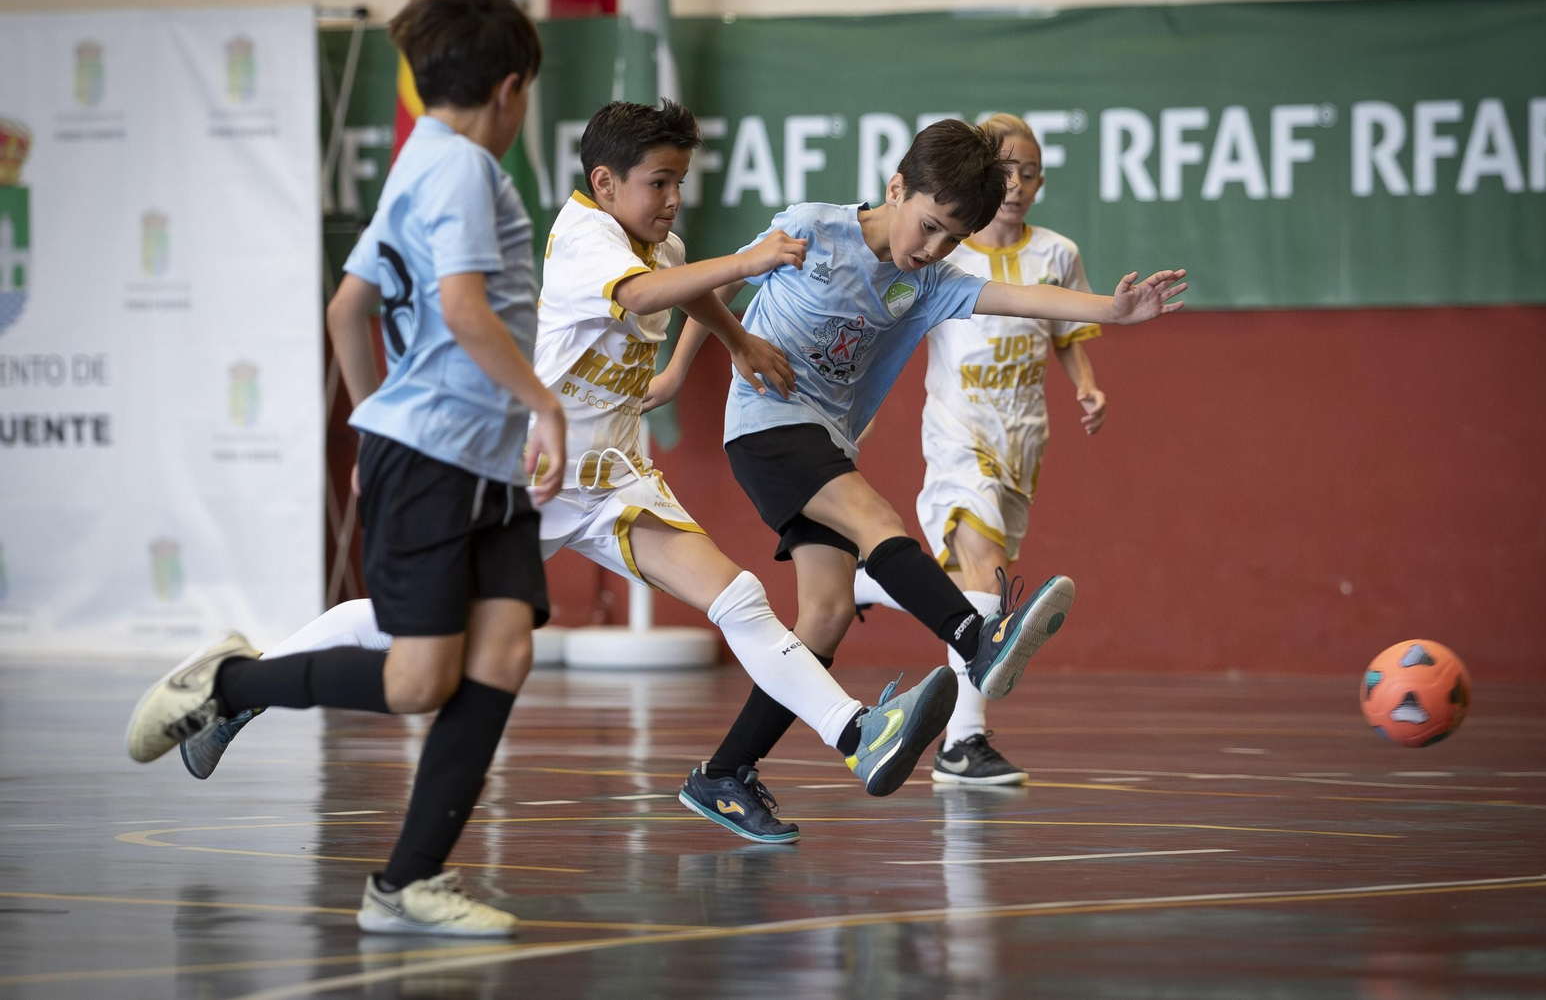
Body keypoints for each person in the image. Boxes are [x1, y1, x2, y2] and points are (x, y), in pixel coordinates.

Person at [178, 99, 960, 846]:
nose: (674, 199)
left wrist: (738, 340)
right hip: (528, 474)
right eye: (659, 182)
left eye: (682, 181)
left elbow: (684, 292)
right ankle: (238, 684)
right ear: (604, 184)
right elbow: (649, 293)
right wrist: (752, 260)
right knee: (400, 627)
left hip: (612, 477)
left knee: (740, 597)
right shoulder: (587, 238)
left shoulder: (668, 246)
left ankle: (856, 734)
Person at [125, 0, 561, 936]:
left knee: (503, 652)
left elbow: (347, 308)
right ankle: (227, 685)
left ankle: (405, 886)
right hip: (445, 459)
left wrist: (368, 426)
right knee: (417, 684)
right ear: (510, 90)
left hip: (469, 464)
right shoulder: (460, 170)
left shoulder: (421, 158)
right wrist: (547, 410)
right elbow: (459, 308)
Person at [649, 117, 1185, 838]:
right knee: (877, 521)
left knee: (827, 615)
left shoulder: (930, 282)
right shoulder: (811, 230)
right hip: (767, 427)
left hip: (826, 441)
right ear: (896, 186)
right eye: (928, 226)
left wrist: (1114, 312)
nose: (930, 249)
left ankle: (723, 773)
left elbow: (1022, 299)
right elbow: (716, 284)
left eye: (952, 240)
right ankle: (974, 637)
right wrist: (694, 364)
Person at [851, 113, 1108, 786]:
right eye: (1004, 172)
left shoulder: (1058, 254)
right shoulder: (945, 255)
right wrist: (857, 409)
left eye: (1028, 173)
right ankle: (963, 742)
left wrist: (1086, 385)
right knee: (987, 576)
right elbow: (891, 330)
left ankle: (873, 582)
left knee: (979, 590)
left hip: (1022, 439)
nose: (1016, 184)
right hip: (959, 435)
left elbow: (1065, 330)